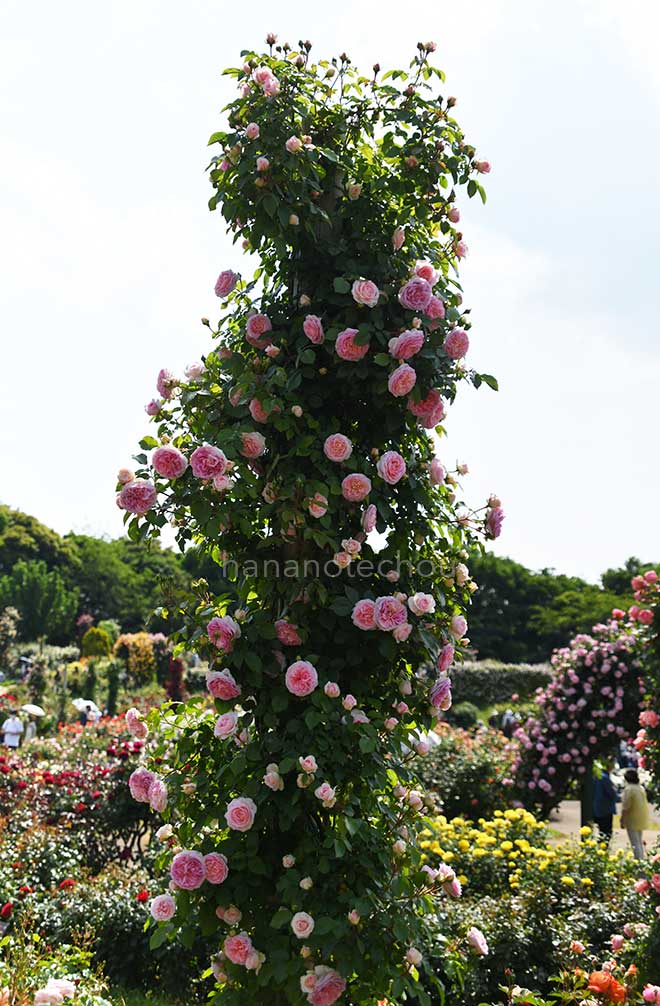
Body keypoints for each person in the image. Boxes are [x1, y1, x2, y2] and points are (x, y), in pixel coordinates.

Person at [619, 768, 650, 860]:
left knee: (635, 843)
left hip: (632, 819)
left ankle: (638, 863)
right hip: (641, 817)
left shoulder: (629, 789)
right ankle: (641, 861)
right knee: (639, 841)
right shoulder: (640, 788)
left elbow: (626, 807)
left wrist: (622, 820)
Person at [593, 760, 619, 841]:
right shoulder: (605, 778)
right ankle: (602, 850)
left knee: (599, 831)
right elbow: (611, 793)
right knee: (606, 833)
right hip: (605, 809)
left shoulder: (595, 776)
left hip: (595, 808)